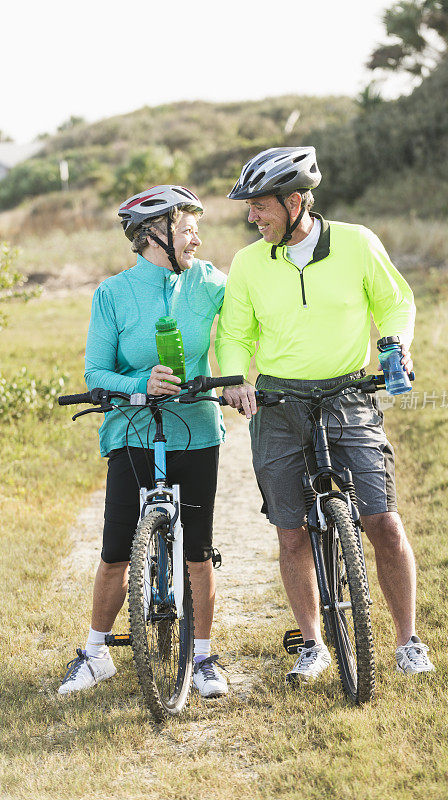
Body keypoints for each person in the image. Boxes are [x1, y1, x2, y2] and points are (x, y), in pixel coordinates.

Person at [215, 146, 435, 683]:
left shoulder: (357, 243)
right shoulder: (248, 263)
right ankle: (312, 644)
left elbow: (395, 302)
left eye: (260, 206)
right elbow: (236, 333)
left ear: (295, 203)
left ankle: (408, 640)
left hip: (348, 394)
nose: (252, 216)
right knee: (291, 531)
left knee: (381, 518)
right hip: (278, 403)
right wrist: (235, 380)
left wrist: (395, 342)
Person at [58, 185, 229, 699]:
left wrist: (244, 379)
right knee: (115, 550)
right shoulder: (112, 294)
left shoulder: (212, 284)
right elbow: (95, 370)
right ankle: (94, 654)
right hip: (133, 432)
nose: (197, 237)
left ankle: (201, 658)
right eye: (186, 228)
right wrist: (139, 384)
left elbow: (244, 333)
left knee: (197, 549)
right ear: (155, 235)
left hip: (196, 430)